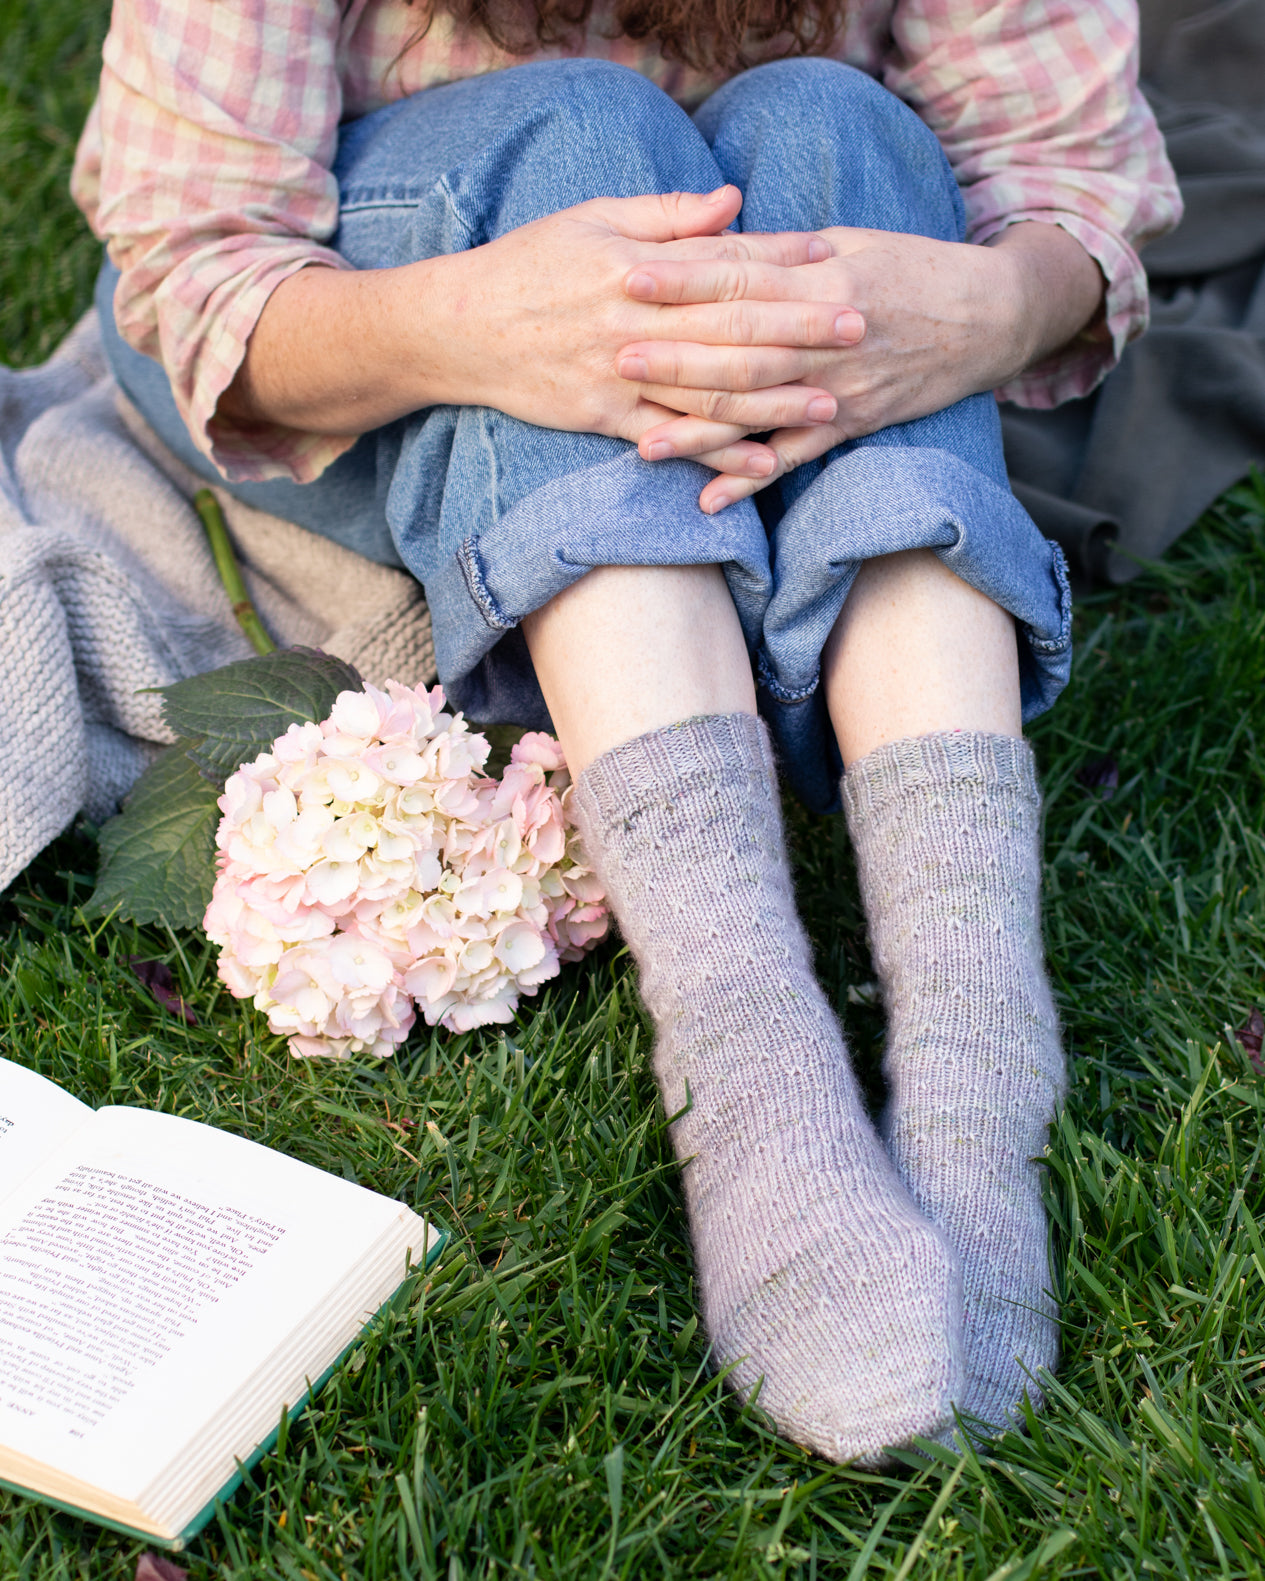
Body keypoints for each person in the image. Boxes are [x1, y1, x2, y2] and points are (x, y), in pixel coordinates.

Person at [72, 0, 1180, 1462]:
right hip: (359, 315)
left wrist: (983, 311)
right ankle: (745, 1052)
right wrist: (480, 322)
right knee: (586, 134)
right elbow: (201, 263)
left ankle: (975, 1060)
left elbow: (1058, 182)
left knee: (835, 131)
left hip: (794, 307)